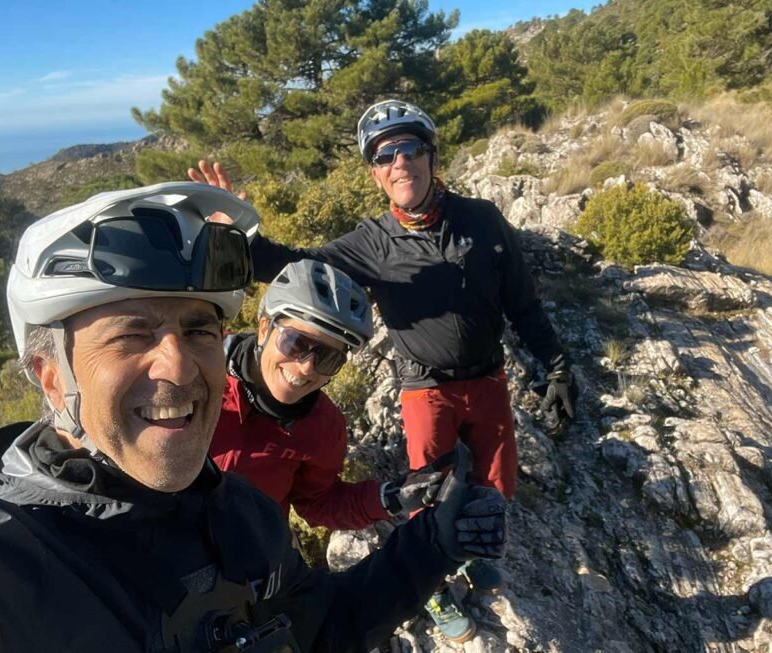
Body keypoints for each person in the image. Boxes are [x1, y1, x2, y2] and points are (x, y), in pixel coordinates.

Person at [0, 182, 506, 652]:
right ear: (52, 376)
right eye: (132, 334)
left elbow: (321, 628)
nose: (178, 369)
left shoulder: (245, 516)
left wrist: (429, 540)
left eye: (198, 328)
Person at [189, 99, 575, 641]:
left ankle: (476, 553)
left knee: (496, 480)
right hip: (425, 388)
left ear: (430, 154)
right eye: (384, 155)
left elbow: (524, 304)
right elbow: (299, 269)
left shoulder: (482, 222)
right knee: (430, 490)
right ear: (374, 173)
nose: (399, 162)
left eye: (409, 147)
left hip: (489, 379)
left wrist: (554, 368)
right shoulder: (372, 243)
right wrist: (241, 237)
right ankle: (435, 585)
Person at [211, 258, 446, 531]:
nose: (307, 367)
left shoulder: (322, 427)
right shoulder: (195, 374)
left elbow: (317, 502)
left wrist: (389, 498)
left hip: (242, 560)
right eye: (296, 342)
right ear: (265, 329)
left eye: (328, 358)